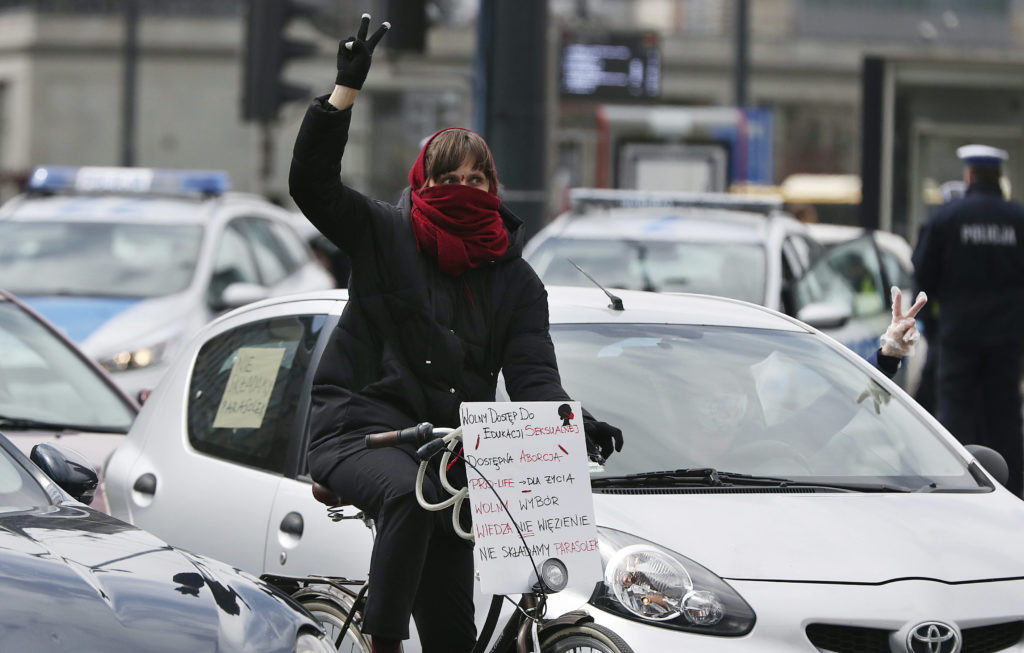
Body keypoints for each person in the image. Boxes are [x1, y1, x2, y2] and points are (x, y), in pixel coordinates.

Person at [287, 14, 623, 653]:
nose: (463, 191)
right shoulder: (385, 235)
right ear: (423, 184)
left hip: (450, 454)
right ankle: (382, 642)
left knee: (452, 635)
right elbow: (313, 186)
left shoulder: (518, 284)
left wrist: (574, 423)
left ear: (493, 189)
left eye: (476, 180)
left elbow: (533, 381)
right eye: (447, 180)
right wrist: (343, 95)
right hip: (356, 429)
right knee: (410, 500)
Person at [911, 144, 1024, 497]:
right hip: (1006, 339)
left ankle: (951, 488)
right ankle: (1012, 492)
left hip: (958, 338)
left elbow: (922, 273)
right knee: (1005, 418)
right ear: (999, 177)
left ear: (969, 175)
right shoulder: (1017, 219)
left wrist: (934, 324)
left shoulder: (947, 218)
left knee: (954, 418)